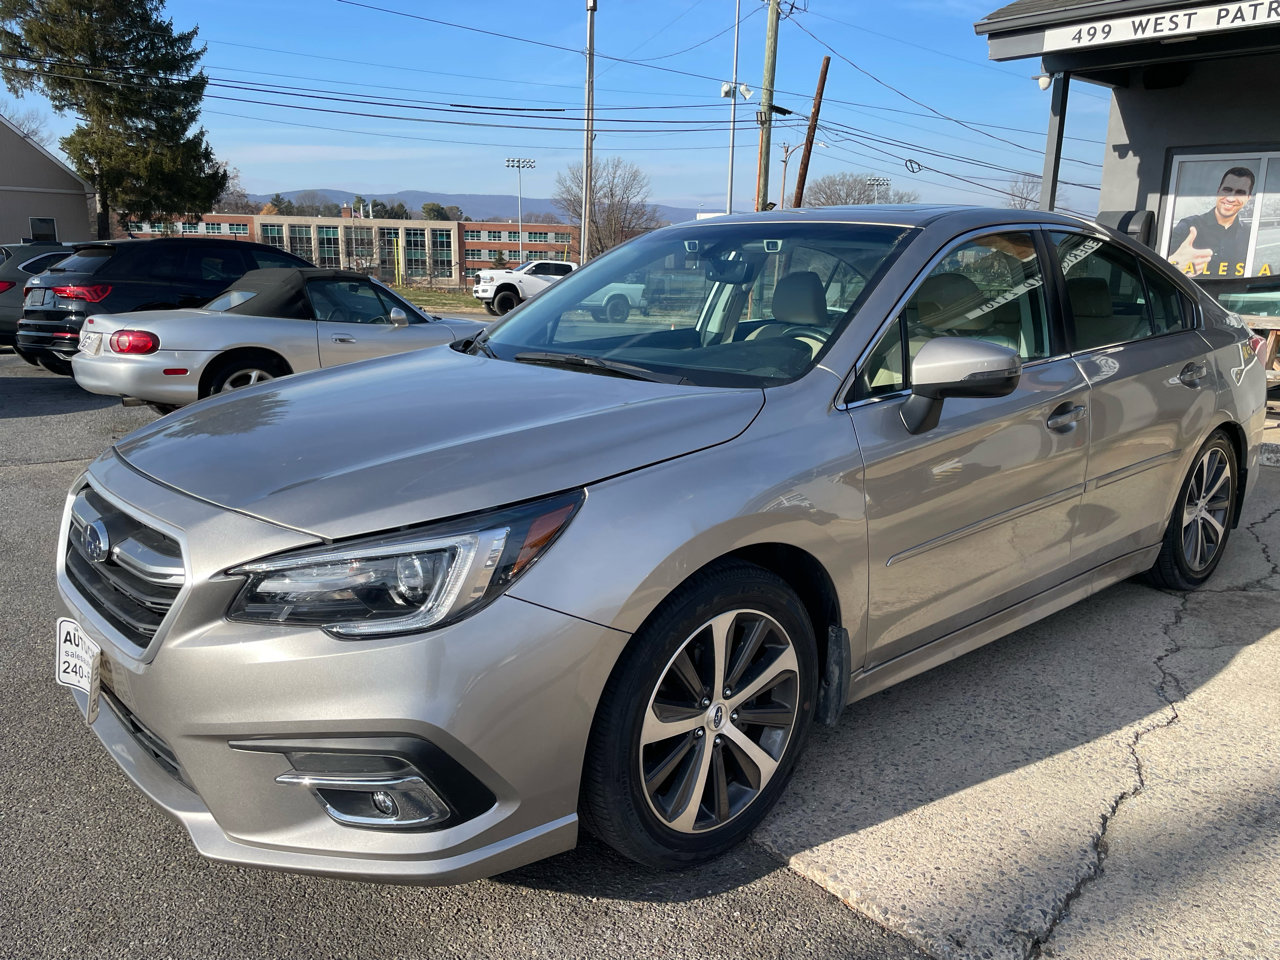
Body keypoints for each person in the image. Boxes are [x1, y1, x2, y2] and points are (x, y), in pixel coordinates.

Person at [1167, 166, 1255, 277]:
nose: (1231, 198)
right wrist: (1174, 265)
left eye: (1240, 193)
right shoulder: (1187, 227)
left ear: (1248, 198)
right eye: (1227, 190)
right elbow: (1156, 273)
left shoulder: (1249, 234)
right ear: (1218, 191)